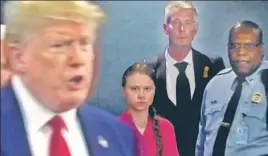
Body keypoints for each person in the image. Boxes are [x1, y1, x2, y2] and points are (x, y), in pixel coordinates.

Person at [1, 1, 136, 156]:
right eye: (60, 46)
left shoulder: (117, 134)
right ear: (18, 57)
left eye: (85, 44)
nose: (78, 59)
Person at [144, 1, 225, 156]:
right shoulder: (148, 69)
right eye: (175, 23)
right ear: (165, 28)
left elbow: (219, 120)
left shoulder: (213, 66)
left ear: (195, 29)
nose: (182, 30)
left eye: (188, 23)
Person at [195, 20, 268, 156]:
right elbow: (202, 140)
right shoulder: (215, 84)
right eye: (235, 46)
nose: (241, 52)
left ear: (261, 49)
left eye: (249, 45)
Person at [119, 63, 179, 156]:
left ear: (155, 91)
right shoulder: (114, 128)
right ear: (124, 91)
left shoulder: (166, 128)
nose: (141, 95)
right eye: (134, 89)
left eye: (147, 89)